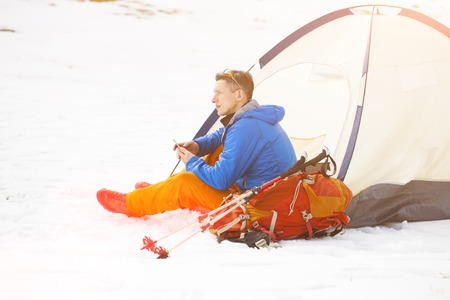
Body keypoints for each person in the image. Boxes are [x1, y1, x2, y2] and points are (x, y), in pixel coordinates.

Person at [96, 69, 297, 217]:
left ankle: (130, 204)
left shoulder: (247, 128)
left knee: (184, 184)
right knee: (217, 148)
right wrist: (198, 146)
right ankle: (160, 191)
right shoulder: (250, 119)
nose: (213, 99)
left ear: (238, 95)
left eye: (219, 92)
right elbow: (221, 135)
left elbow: (220, 180)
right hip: (259, 194)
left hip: (259, 206)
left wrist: (192, 161)